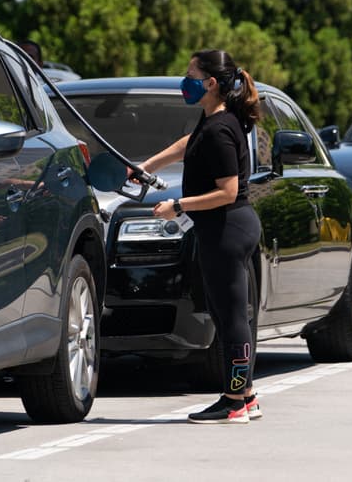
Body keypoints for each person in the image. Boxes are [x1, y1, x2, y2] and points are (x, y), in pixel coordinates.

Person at [139, 49, 263, 425]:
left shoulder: (222, 128)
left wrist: (177, 205)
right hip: (222, 228)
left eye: (191, 74)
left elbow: (228, 191)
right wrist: (146, 166)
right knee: (224, 312)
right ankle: (247, 396)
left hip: (229, 226)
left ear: (210, 83)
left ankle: (234, 399)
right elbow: (187, 144)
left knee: (231, 316)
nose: (185, 80)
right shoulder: (212, 120)